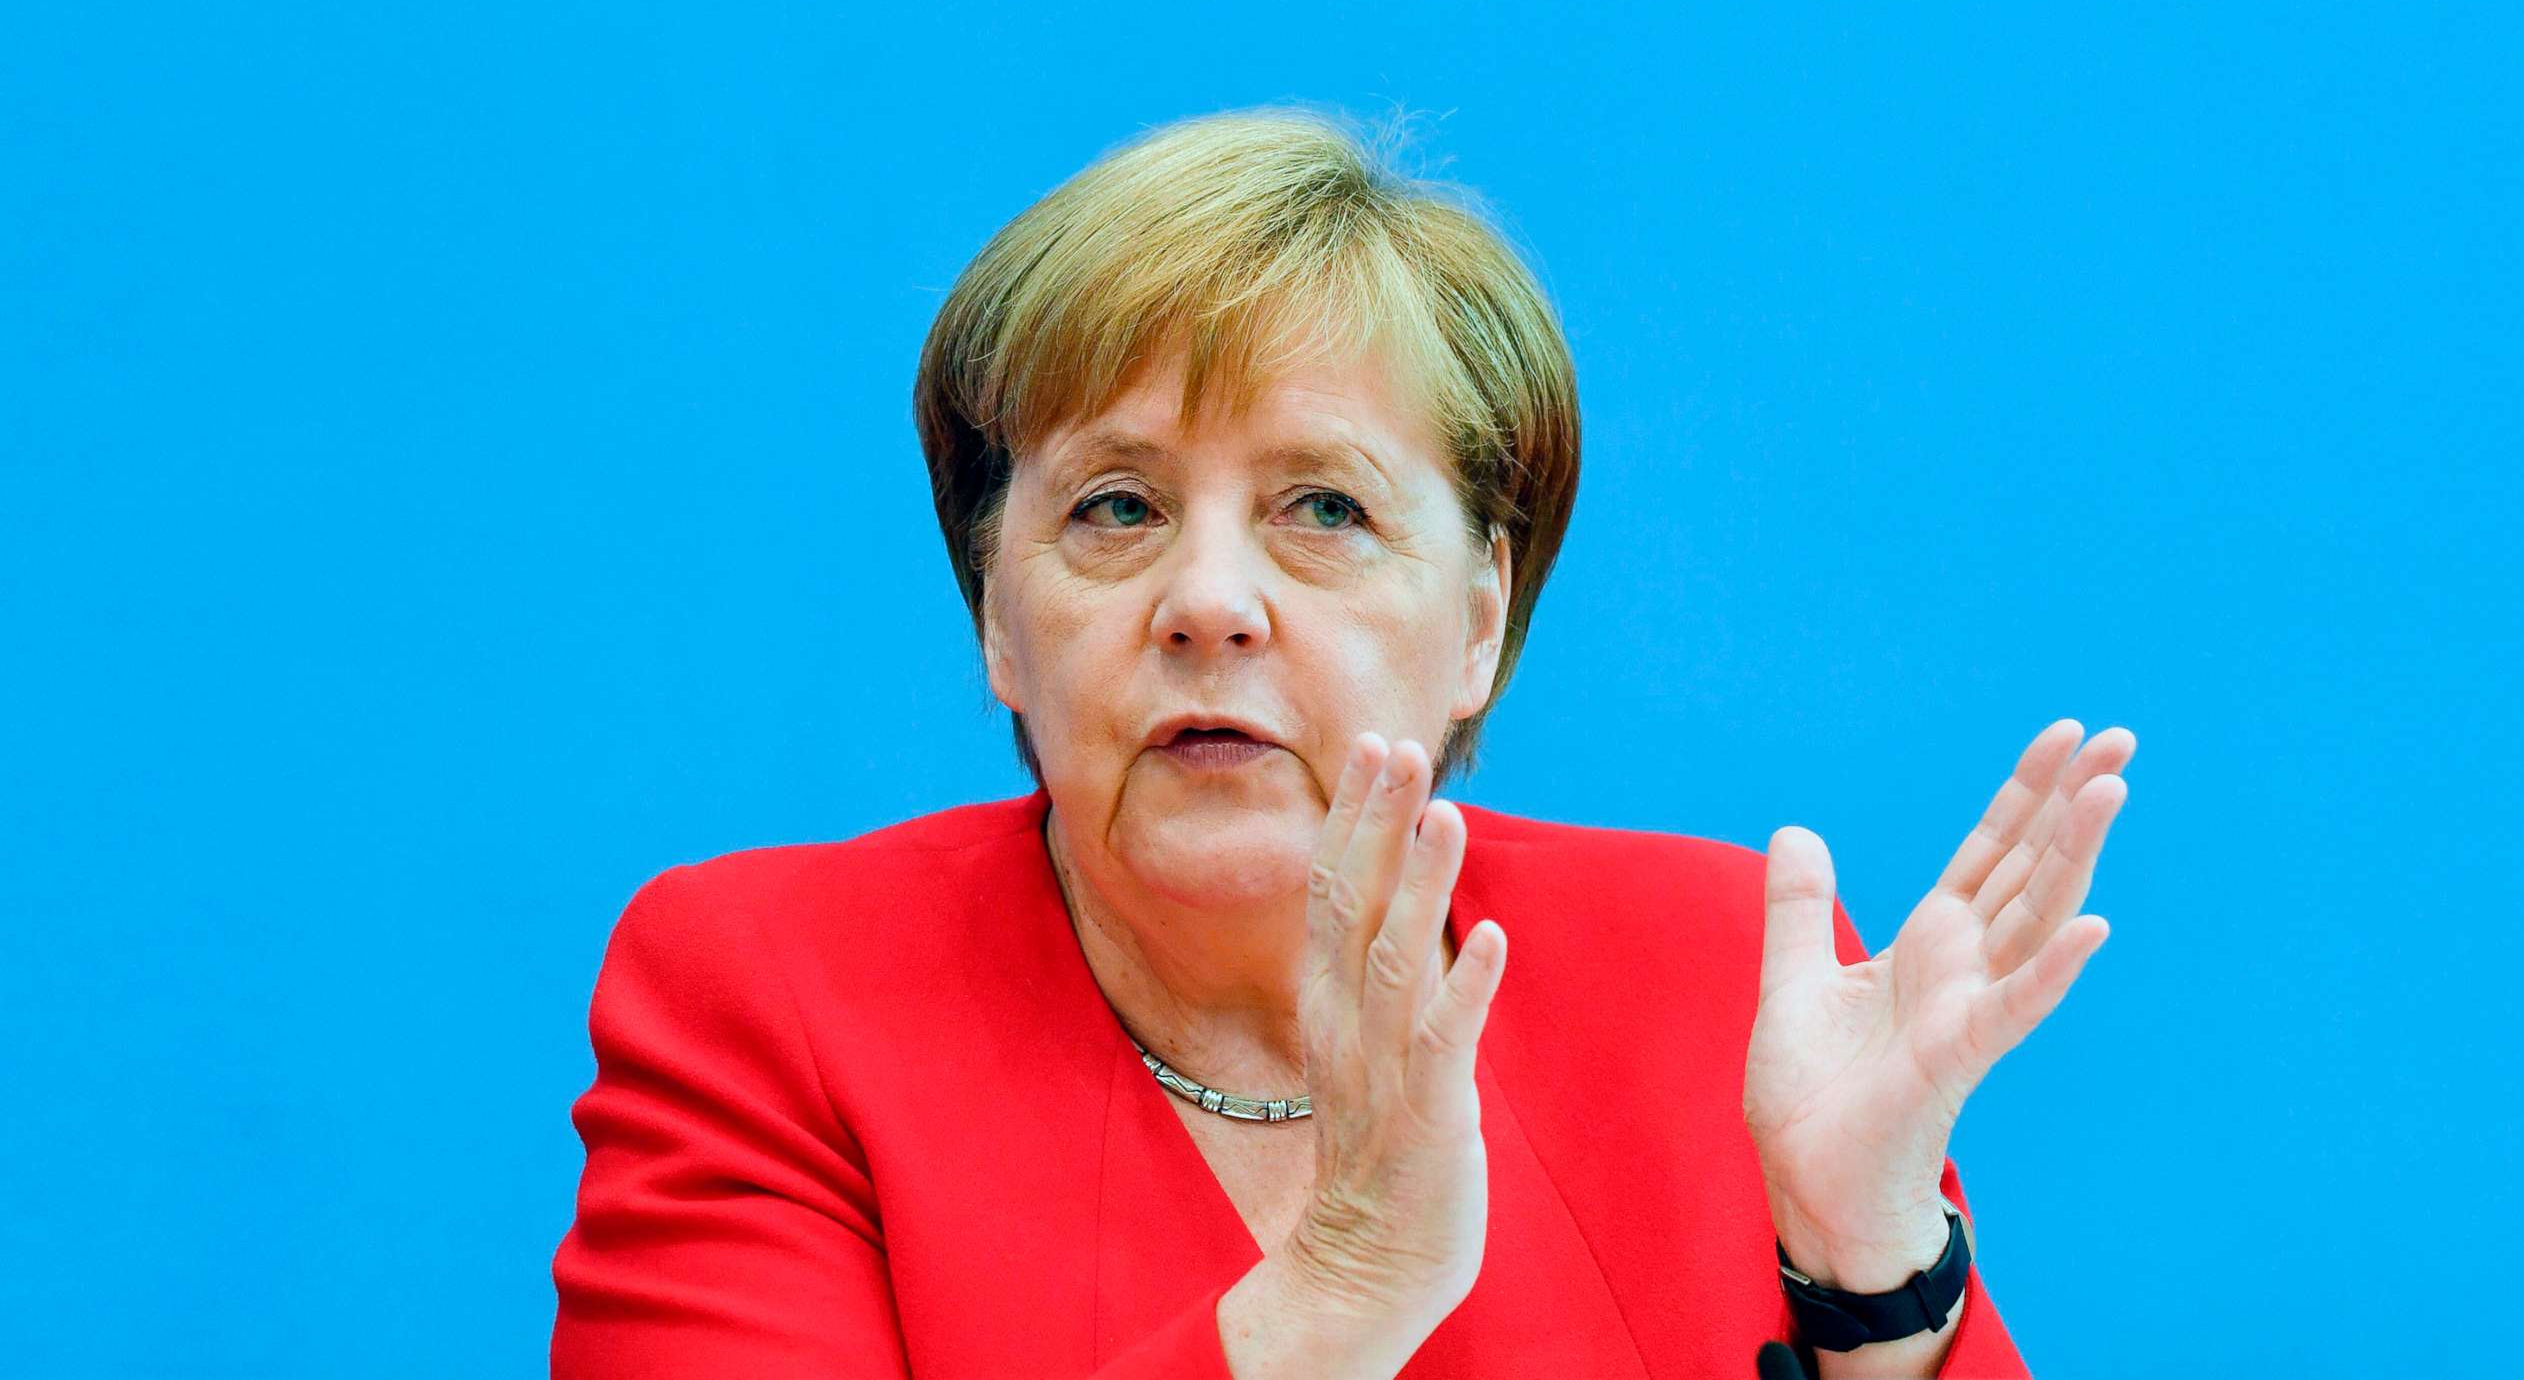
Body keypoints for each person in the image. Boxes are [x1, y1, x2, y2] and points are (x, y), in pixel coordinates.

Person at [548, 106, 2132, 1379]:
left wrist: (1872, 1281)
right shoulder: (769, 999)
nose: (1210, 600)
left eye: (1324, 507)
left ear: (1479, 622)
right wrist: (1339, 1288)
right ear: (995, 618)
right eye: (1116, 508)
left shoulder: (1719, 972)